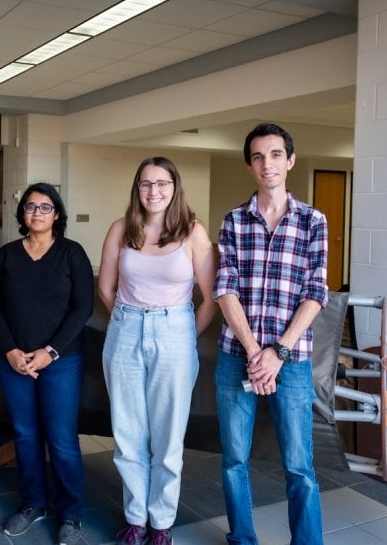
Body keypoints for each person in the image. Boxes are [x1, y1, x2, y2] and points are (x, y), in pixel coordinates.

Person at [213, 123, 328, 545]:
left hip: (292, 362)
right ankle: (242, 539)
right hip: (235, 356)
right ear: (250, 165)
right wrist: (253, 351)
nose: (267, 164)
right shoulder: (233, 221)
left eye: (276, 154)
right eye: (258, 156)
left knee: (299, 465)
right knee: (233, 461)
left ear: (290, 161)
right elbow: (225, 288)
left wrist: (276, 352)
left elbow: (316, 293)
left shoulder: (313, 221)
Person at [98, 157, 216, 545]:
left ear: (174, 187)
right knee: (128, 432)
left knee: (167, 438)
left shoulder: (193, 233)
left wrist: (183, 332)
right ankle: (135, 518)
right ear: (137, 188)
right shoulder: (121, 229)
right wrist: (128, 321)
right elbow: (106, 288)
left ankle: (161, 523)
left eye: (162, 183)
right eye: (146, 184)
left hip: (175, 331)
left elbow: (211, 298)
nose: (154, 191)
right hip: (126, 329)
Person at [0, 183, 94, 545]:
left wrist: (50, 351)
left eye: (45, 207)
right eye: (30, 207)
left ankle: (71, 514)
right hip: (14, 360)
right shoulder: (8, 255)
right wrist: (11, 350)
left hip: (60, 361)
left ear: (57, 214)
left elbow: (83, 309)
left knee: (61, 438)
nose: (37, 213)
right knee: (26, 435)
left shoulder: (71, 254)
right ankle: (33, 503)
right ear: (22, 215)